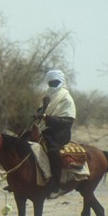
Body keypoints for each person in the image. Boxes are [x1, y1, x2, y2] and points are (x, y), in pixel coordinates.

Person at [33, 69, 76, 198]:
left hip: (59, 133)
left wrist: (47, 118)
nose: (52, 85)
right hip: (44, 130)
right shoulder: (46, 97)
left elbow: (68, 121)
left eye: (55, 82)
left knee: (52, 151)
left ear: (61, 82)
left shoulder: (66, 98)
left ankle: (55, 185)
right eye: (50, 83)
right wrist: (40, 113)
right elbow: (41, 112)